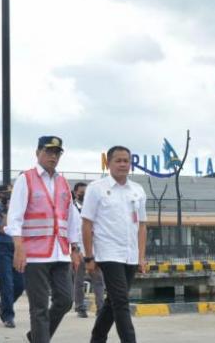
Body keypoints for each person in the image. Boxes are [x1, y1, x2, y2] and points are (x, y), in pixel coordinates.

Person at [6, 136, 82, 343]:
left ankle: (37, 336)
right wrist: (18, 246)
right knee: (38, 308)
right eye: (49, 152)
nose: (53, 156)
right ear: (37, 152)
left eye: (57, 153)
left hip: (60, 251)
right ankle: (41, 338)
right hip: (35, 254)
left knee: (66, 300)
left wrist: (75, 248)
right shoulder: (26, 179)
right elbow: (15, 216)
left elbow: (71, 216)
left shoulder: (63, 181)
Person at [82, 146, 147, 343]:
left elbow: (142, 226)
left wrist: (141, 257)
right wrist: (89, 256)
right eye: (118, 160)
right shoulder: (96, 188)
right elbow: (86, 224)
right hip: (108, 253)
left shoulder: (138, 190)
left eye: (126, 161)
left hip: (130, 255)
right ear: (108, 163)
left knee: (113, 302)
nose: (122, 164)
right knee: (121, 302)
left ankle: (97, 337)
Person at [0, 183, 24, 328]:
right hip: (3, 249)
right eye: (6, 193)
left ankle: (4, 304)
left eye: (11, 193)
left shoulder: (20, 210)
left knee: (21, 284)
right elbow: (2, 229)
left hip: (17, 248)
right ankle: (8, 316)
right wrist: (9, 211)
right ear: (0, 195)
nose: (8, 196)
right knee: (7, 284)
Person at [71, 182, 105, 318]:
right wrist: (74, 249)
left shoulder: (93, 208)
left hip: (93, 249)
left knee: (98, 280)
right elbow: (72, 230)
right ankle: (80, 307)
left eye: (86, 193)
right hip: (79, 248)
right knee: (79, 281)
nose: (84, 195)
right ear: (75, 192)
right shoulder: (72, 208)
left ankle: (100, 308)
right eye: (81, 193)